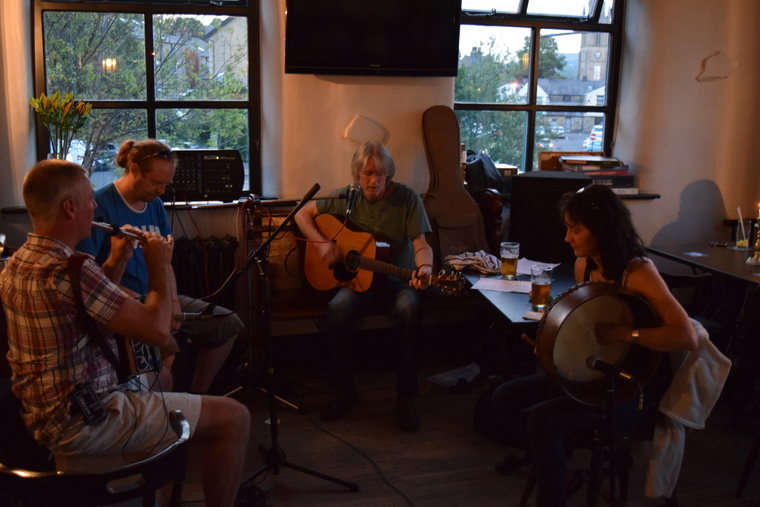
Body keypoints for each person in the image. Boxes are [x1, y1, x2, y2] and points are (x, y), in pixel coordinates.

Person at [0, 159, 251, 507]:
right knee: (234, 416)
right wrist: (159, 263)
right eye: (89, 199)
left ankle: (158, 489)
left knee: (160, 378)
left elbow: (86, 304)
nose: (95, 206)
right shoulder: (70, 267)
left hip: (46, 410)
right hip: (86, 419)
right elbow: (158, 331)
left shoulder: (20, 261)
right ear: (70, 208)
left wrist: (117, 262)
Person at [491, 184, 698, 507]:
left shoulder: (638, 271)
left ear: (602, 229)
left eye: (576, 229)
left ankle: (553, 493)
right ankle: (560, 469)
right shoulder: (584, 264)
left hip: (630, 389)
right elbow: (585, 324)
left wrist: (624, 334)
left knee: (541, 422)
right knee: (504, 398)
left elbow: (686, 336)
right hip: (591, 375)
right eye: (568, 228)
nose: (567, 238)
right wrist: (552, 347)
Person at [77, 139, 243, 395]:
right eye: (156, 182)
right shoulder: (101, 205)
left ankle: (197, 398)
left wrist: (174, 300)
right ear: (134, 170)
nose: (162, 190)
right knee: (165, 342)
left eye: (166, 183)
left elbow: (166, 261)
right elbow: (89, 277)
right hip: (128, 304)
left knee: (227, 323)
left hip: (161, 298)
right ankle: (165, 412)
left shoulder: (154, 205)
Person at [295, 141, 434, 432]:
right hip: (358, 282)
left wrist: (425, 268)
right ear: (358, 175)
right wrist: (322, 244)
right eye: (368, 174)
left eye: (380, 174)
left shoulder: (407, 198)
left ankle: (406, 399)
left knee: (409, 307)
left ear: (389, 174)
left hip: (398, 281)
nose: (374, 181)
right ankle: (342, 392)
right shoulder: (347, 197)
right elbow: (301, 214)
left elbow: (421, 244)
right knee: (338, 308)